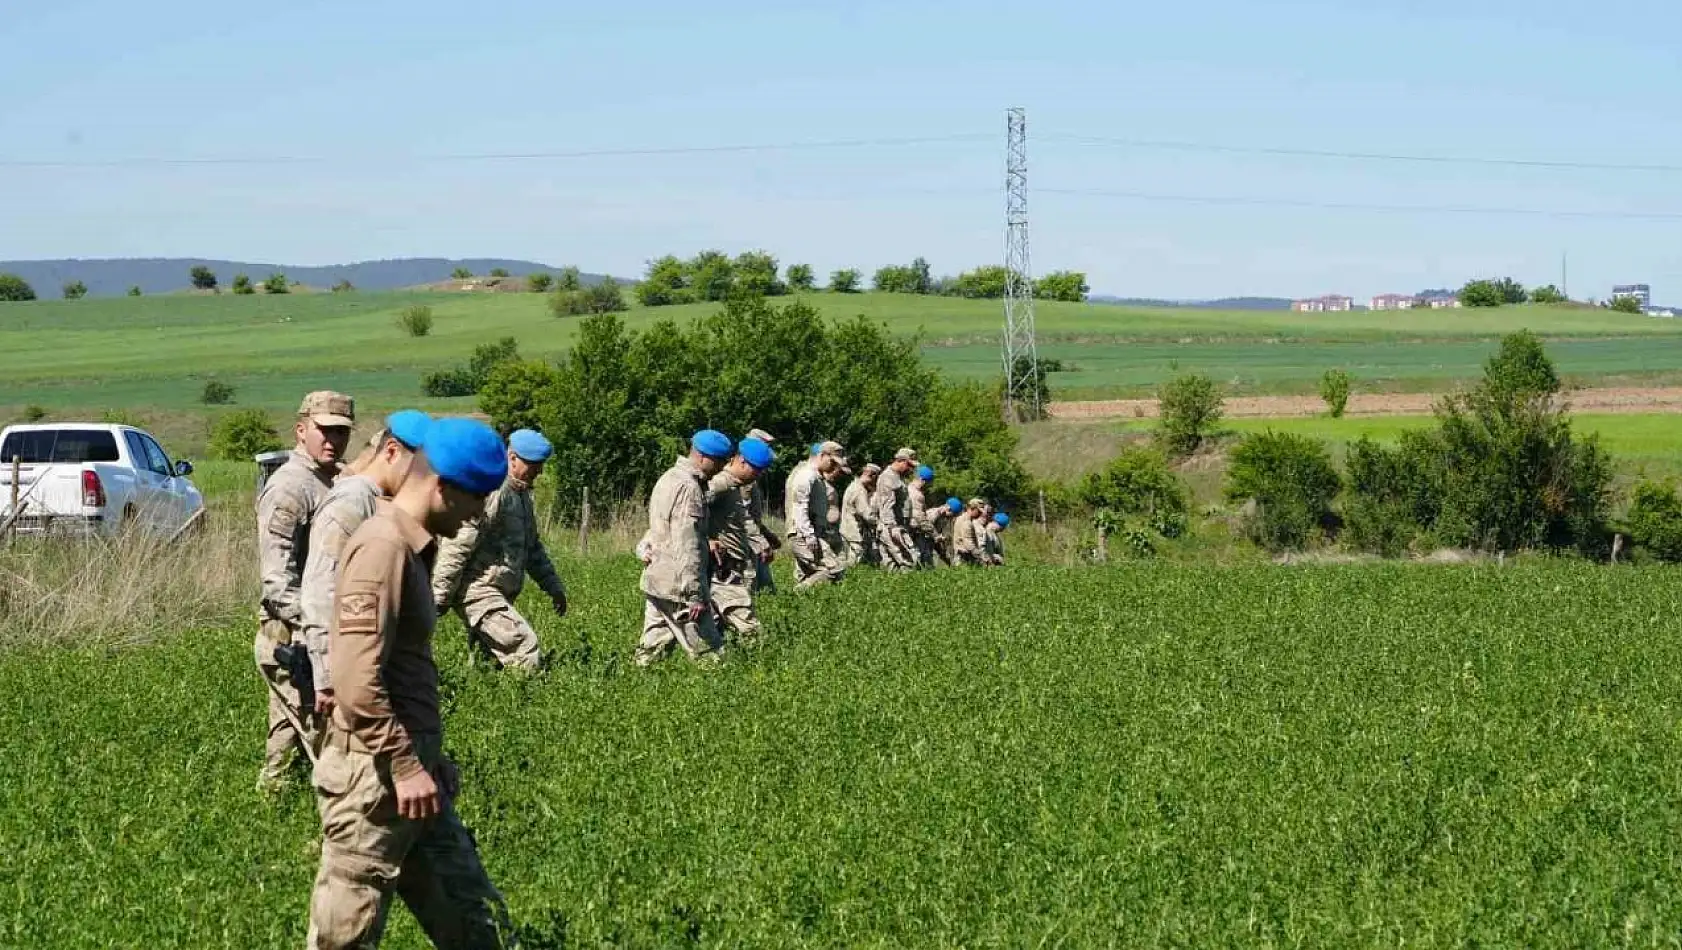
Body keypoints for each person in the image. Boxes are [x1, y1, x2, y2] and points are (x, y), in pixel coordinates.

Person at [306, 416, 515, 949]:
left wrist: (428, 755)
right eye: (475, 501)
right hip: (372, 779)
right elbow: (355, 680)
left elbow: (404, 668)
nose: (476, 517)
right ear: (441, 486)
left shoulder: (413, 545)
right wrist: (404, 763)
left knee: (467, 912)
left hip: (411, 772)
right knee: (347, 929)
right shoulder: (383, 548)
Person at [300, 410, 430, 721]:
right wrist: (328, 677)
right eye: (418, 469)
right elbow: (321, 588)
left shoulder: (379, 501)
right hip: (342, 672)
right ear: (391, 451)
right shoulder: (352, 501)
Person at [254, 390, 354, 794]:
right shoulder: (290, 488)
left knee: (289, 728)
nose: (333, 440)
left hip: (315, 631)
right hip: (293, 634)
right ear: (301, 430)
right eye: (324, 431)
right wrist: (320, 623)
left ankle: (270, 803)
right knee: (324, 737)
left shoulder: (334, 480)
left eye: (341, 432)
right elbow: (276, 580)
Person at [432, 429, 567, 672]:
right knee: (523, 647)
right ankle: (530, 706)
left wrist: (553, 587)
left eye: (541, 464)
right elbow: (459, 542)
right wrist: (440, 595)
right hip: (479, 591)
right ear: (512, 458)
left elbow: (533, 549)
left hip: (497, 591)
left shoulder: (521, 494)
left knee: (489, 666)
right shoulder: (495, 491)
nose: (539, 471)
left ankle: (481, 703)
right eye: (533, 464)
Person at [635, 430, 734, 665]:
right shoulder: (689, 488)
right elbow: (686, 544)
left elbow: (660, 528)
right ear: (701, 457)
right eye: (718, 461)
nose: (721, 467)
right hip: (677, 583)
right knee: (711, 655)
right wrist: (694, 595)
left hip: (657, 578)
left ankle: (636, 690)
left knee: (652, 651)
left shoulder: (669, 477)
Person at [705, 437, 774, 644]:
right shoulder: (720, 484)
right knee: (751, 629)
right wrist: (707, 540)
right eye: (756, 470)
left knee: (716, 630)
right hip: (721, 570)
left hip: (731, 567)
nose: (758, 475)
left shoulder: (735, 485)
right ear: (741, 461)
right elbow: (691, 512)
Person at [785, 440, 846, 588]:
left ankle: (799, 601)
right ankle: (798, 593)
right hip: (804, 534)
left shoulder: (816, 476)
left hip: (812, 533)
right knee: (834, 570)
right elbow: (800, 507)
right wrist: (809, 535)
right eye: (832, 461)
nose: (834, 467)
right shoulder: (807, 475)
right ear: (822, 455)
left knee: (807, 573)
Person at [742, 428, 782, 593]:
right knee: (748, 587)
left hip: (754, 539)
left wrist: (766, 534)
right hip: (746, 542)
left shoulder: (751, 477)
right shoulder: (745, 479)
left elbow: (752, 516)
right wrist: (762, 542)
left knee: (766, 589)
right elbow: (743, 516)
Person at [873, 448, 920, 572]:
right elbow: (887, 505)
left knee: (894, 566)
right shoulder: (888, 478)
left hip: (897, 526)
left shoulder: (897, 477)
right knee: (910, 561)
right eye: (909, 465)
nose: (911, 469)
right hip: (892, 528)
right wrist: (893, 528)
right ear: (901, 461)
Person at [840, 463, 880, 567]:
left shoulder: (853, 486)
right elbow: (867, 514)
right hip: (854, 531)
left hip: (847, 529)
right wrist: (880, 523)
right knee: (854, 561)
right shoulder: (860, 491)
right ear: (872, 476)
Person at [820, 461, 850, 575]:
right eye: (840, 472)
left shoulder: (830, 485)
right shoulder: (821, 485)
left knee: (841, 558)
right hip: (825, 530)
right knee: (830, 563)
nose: (840, 476)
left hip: (834, 530)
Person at [908, 464, 936, 567]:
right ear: (923, 480)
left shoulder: (909, 489)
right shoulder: (916, 495)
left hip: (912, 531)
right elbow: (920, 518)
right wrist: (935, 534)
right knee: (917, 561)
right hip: (913, 531)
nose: (928, 486)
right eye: (928, 483)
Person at [924, 496, 963, 567]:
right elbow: (926, 529)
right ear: (949, 509)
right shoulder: (932, 514)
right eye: (953, 514)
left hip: (931, 543)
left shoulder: (943, 517)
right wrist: (938, 537)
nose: (952, 517)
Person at [953, 498, 986, 566]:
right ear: (972, 508)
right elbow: (969, 544)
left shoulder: (962, 518)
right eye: (979, 511)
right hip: (964, 559)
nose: (980, 514)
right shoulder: (966, 522)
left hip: (962, 557)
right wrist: (981, 558)